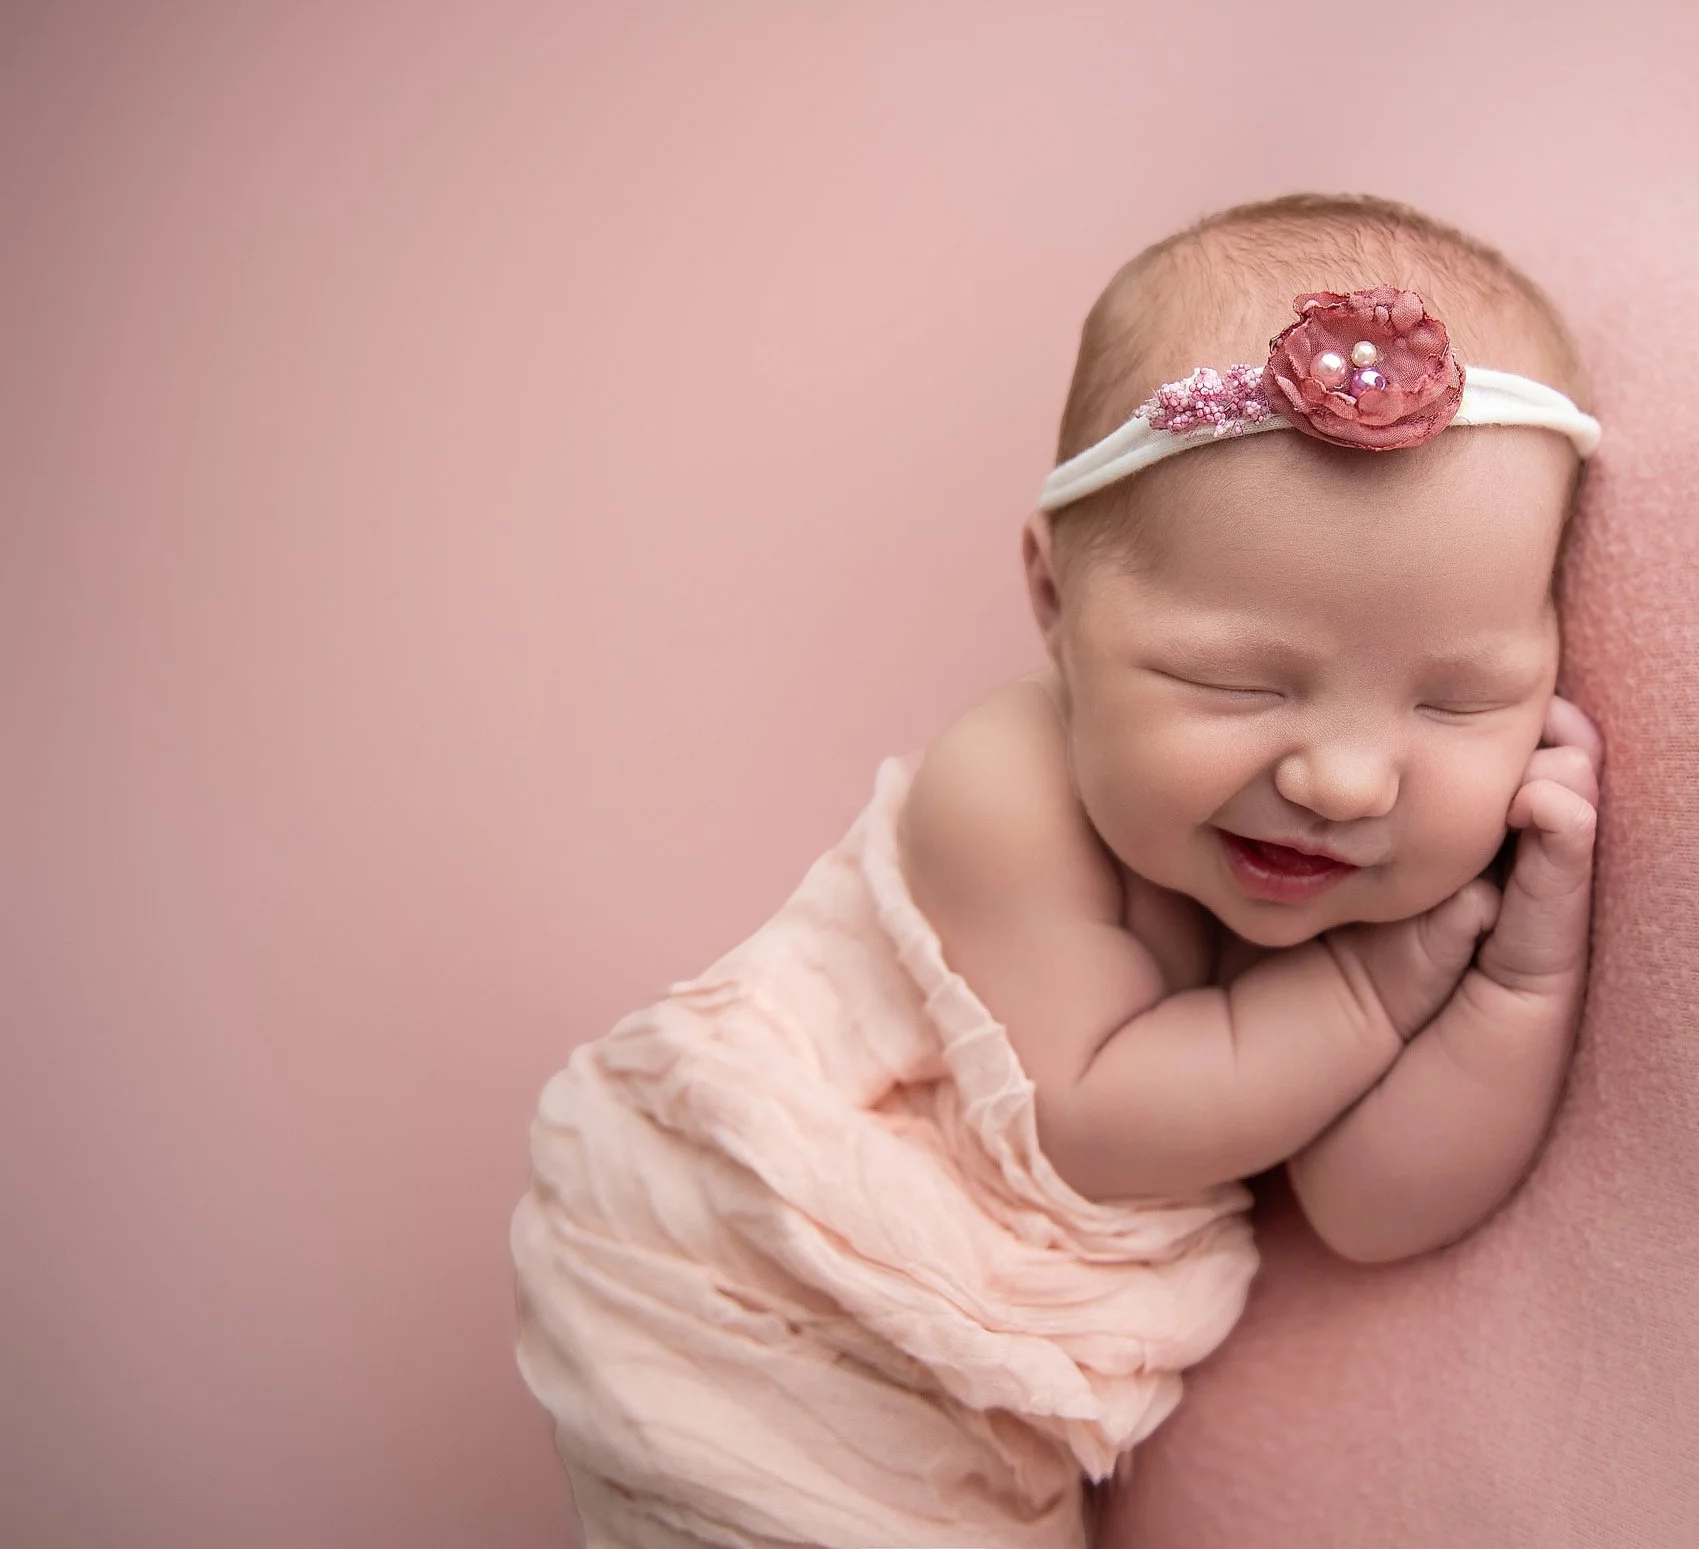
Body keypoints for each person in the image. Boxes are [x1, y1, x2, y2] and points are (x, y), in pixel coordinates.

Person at [512, 192, 1605, 1549]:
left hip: (990, 1399)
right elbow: (1097, 1120)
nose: (1345, 780)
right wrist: (1376, 997)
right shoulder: (1005, 789)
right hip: (769, 1297)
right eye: (1231, 682)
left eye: (1457, 704)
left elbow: (1376, 1208)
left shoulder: (1376, 880)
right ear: (1054, 599)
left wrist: (1520, 974)